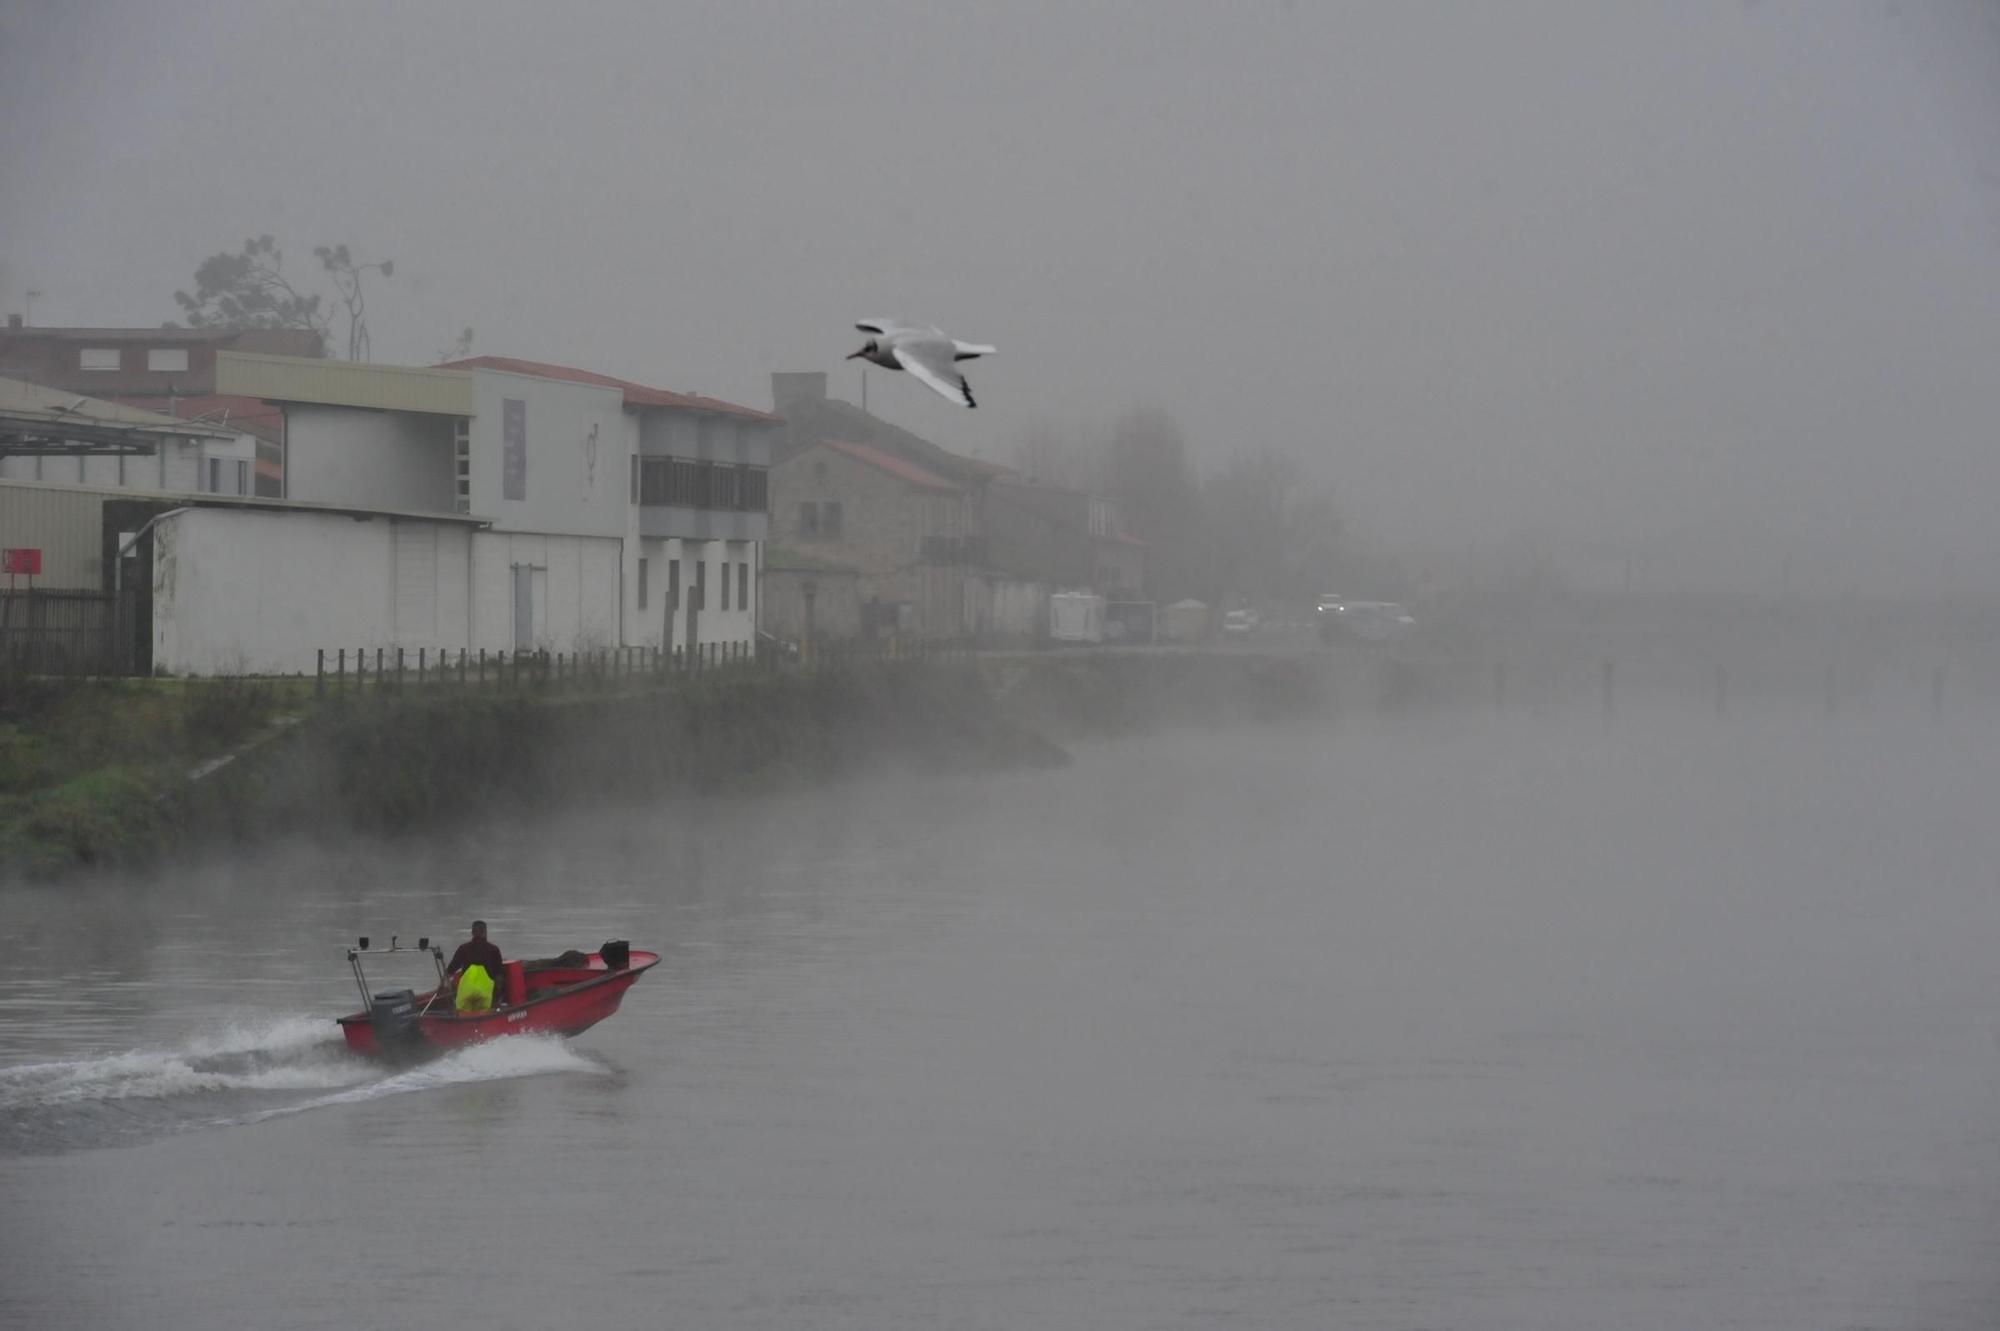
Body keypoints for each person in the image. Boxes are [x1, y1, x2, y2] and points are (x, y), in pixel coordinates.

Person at [445, 920, 505, 1011]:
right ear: (485, 932)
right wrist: (498, 997)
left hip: (466, 993)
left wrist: (442, 986)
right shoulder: (493, 950)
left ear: (472, 933)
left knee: (463, 1008)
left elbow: (450, 971)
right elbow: (499, 975)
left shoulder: (463, 949)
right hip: (485, 993)